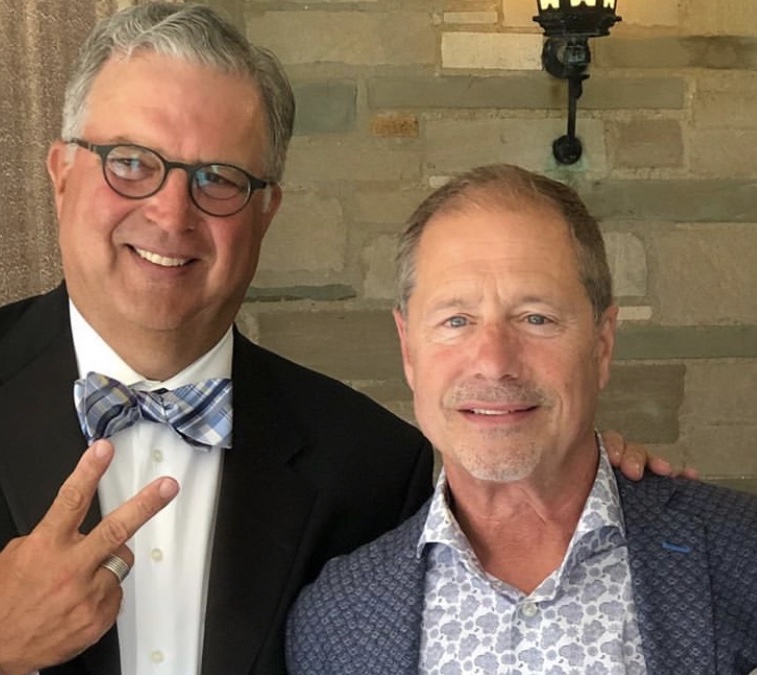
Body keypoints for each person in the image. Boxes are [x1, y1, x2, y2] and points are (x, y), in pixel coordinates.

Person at [0, 4, 437, 674]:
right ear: (61, 174)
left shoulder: (375, 469)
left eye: (218, 179)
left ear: (266, 212)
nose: (171, 213)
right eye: (130, 162)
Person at [286, 164, 757, 674]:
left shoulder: (742, 555)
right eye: (456, 320)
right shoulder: (335, 620)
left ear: (601, 344)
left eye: (536, 318)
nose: (494, 362)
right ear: (408, 349)